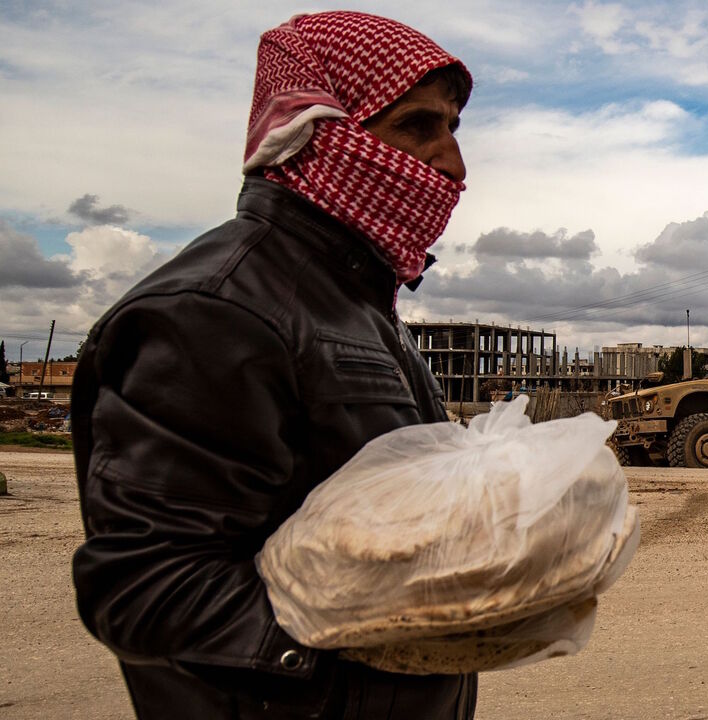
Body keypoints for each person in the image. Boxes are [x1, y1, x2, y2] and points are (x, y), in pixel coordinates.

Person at [71, 12, 477, 719]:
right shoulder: (218, 310)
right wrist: (373, 661)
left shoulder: (357, 306)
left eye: (453, 129)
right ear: (318, 132)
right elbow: (145, 587)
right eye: (416, 127)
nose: (452, 165)